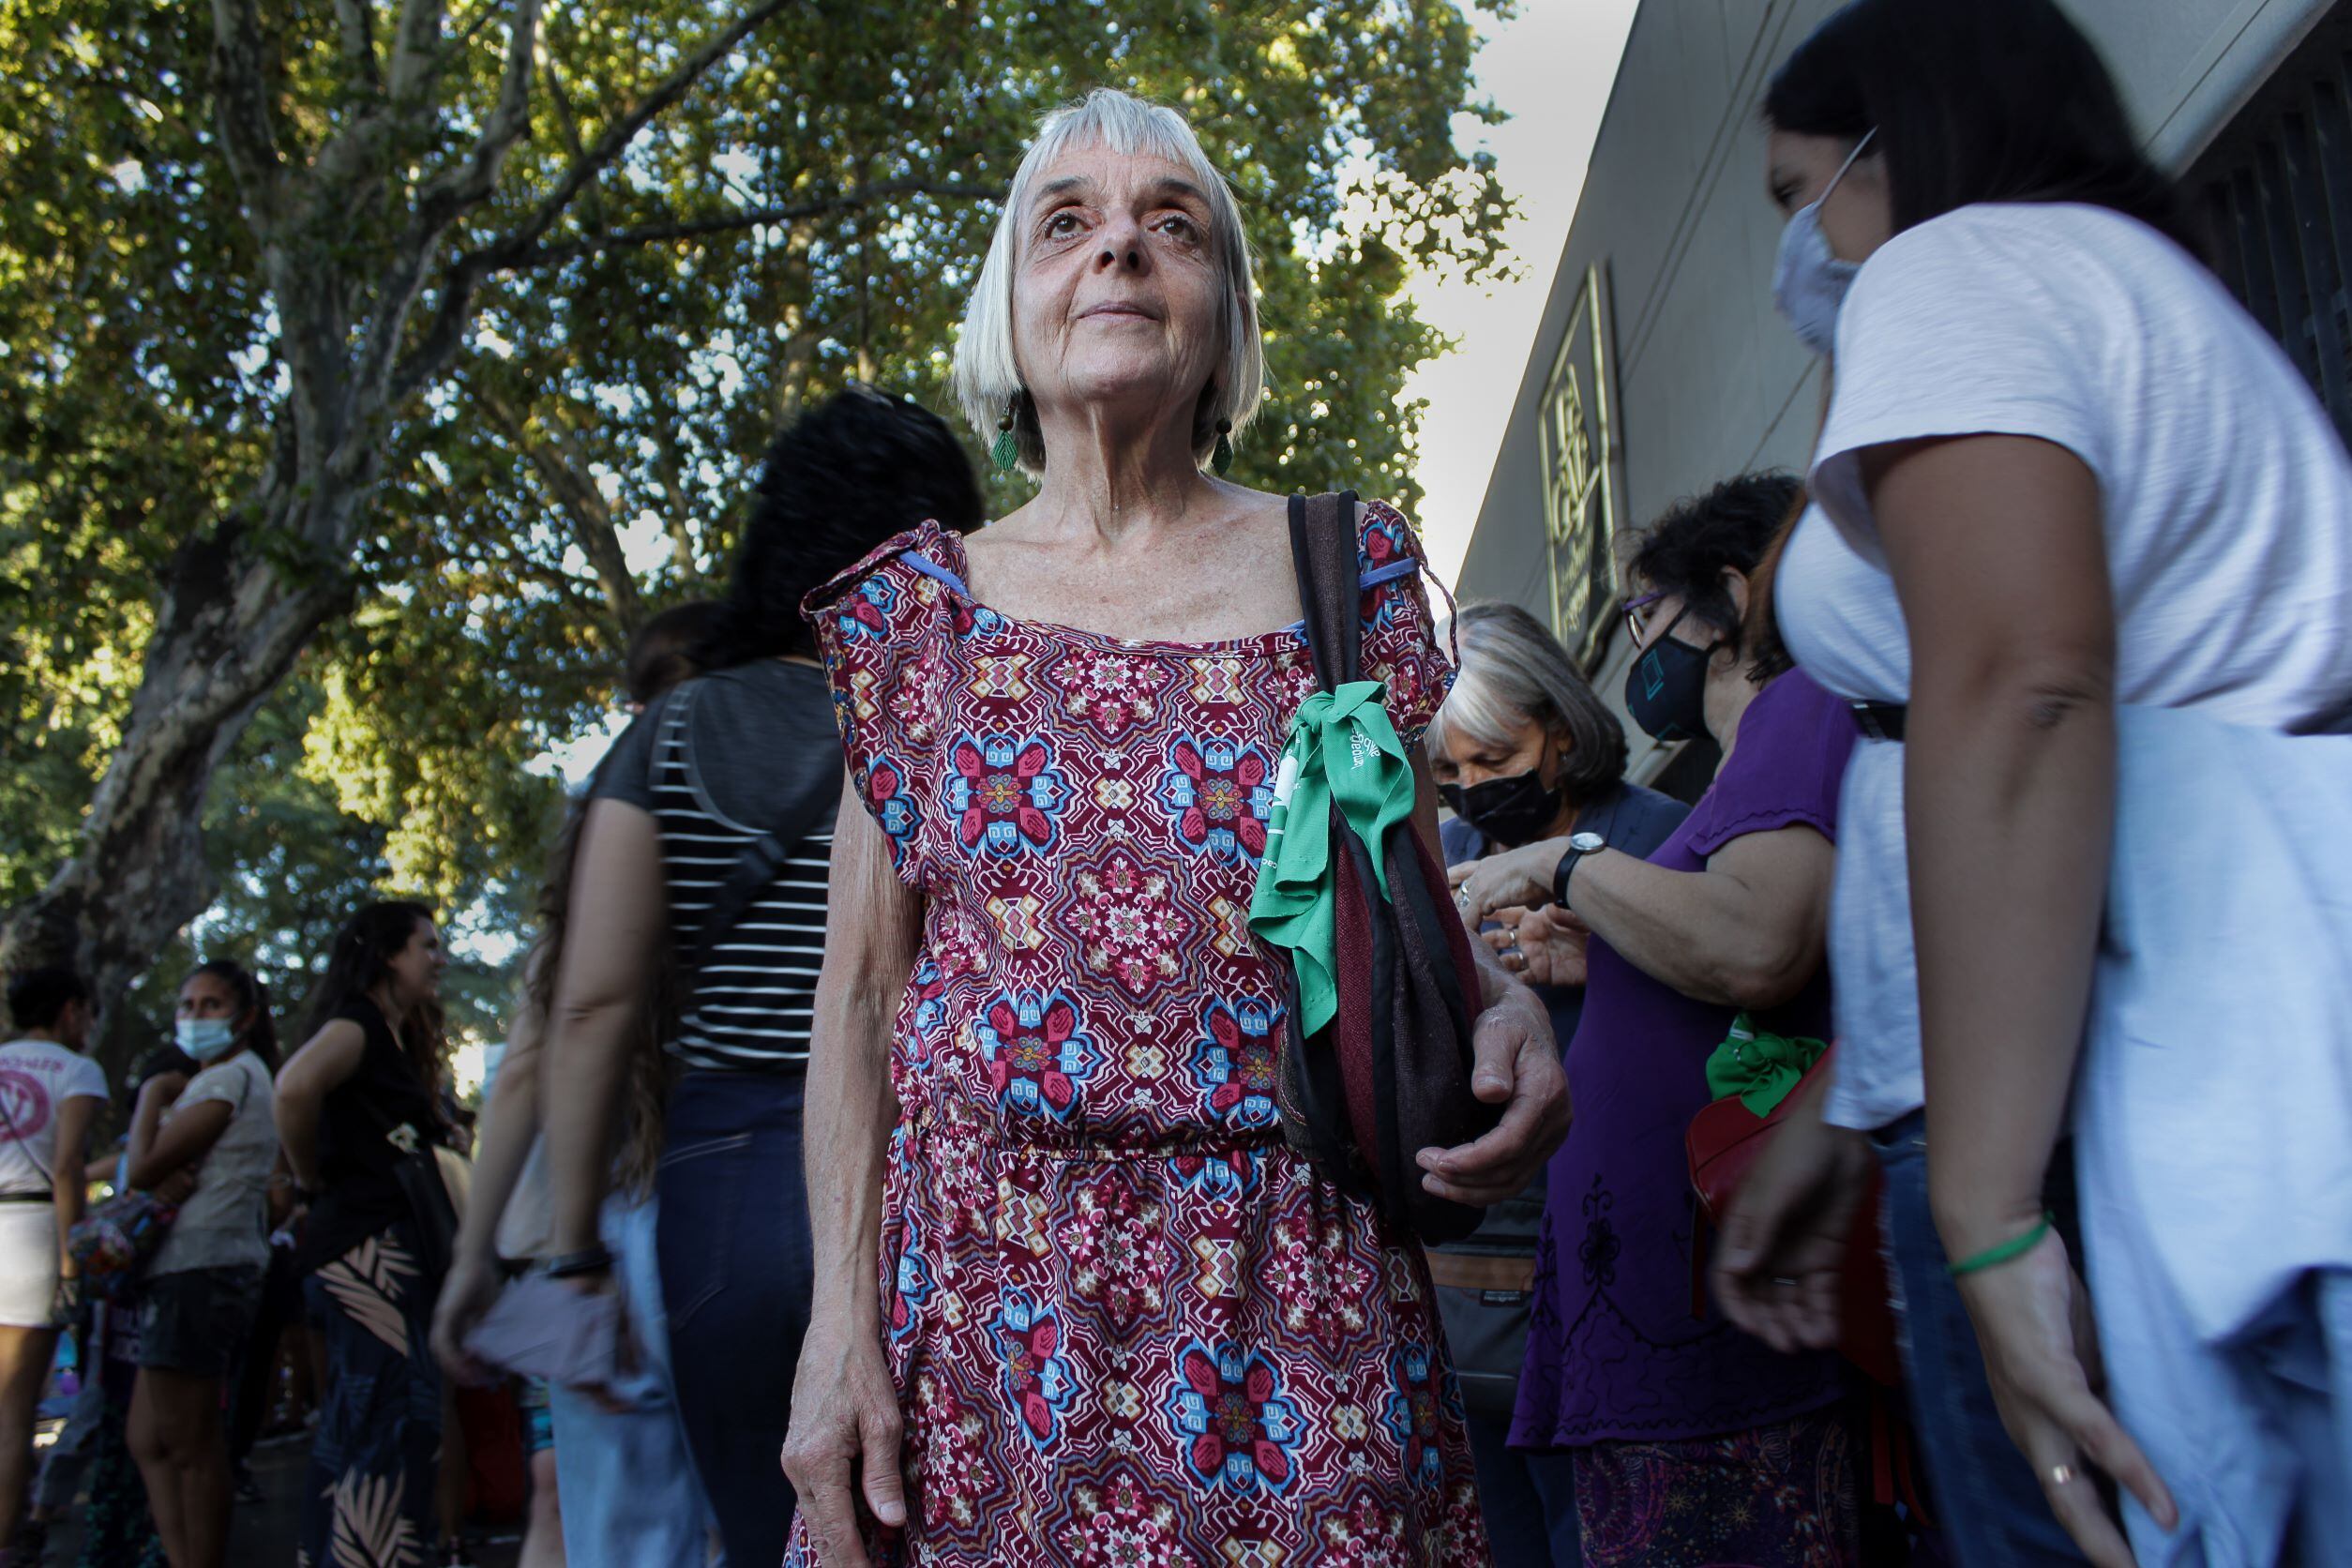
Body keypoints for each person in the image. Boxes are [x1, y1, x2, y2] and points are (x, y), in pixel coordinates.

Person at [778, 87, 1566, 1567]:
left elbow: (1408, 917)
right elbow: (863, 995)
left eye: (1171, 225)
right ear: (1010, 314)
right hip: (989, 1320)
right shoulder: (915, 617)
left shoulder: (1351, 574)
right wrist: (838, 1330)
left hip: (1301, 1299)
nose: (1119, 251)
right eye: (1065, 224)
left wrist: (1508, 1006)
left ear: (1226, 313)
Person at [1717, 4, 2352, 1564]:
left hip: (2092, 1082)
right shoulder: (2124, 291)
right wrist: (1854, 1107)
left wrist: (1986, 1208)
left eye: (1798, 193)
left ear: (1891, 152)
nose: (1794, 246)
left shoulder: (1955, 271)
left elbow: (2015, 688)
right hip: (2113, 1056)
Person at [535, 387, 988, 1568]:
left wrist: (573, 1247)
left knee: (767, 1532)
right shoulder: (959, 719)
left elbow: (591, 1005)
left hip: (725, 1183)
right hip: (929, 1174)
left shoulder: (676, 732)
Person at [1452, 473, 1862, 1566]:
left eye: (1648, 618)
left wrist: (1567, 864)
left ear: (1731, 594)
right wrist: (1603, 960)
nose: (1643, 651)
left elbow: (1757, 948)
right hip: (1639, 1328)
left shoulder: (1795, 711)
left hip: (1710, 1342)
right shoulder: (1749, 761)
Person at [433, 600, 729, 1568]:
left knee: (620, 1531)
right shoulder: (798, 789)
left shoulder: (608, 818)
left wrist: (483, 1255)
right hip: (755, 1203)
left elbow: (538, 1054)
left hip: (615, 1231)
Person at [1425, 600, 1687, 1568]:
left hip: (1626, 1266)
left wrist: (1606, 954)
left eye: (1495, 760)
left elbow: (1750, 1015)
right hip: (1473, 1291)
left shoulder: (1662, 839)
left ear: (1563, 729)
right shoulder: (1445, 859)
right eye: (1450, 775)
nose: (1473, 793)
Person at [275, 901, 454, 1566]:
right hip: (368, 1255)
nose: (438, 958)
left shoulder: (394, 1034)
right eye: (426, 946)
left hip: (382, 1250)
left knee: (367, 1423)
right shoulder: (357, 1027)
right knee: (385, 1420)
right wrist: (310, 1178)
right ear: (387, 954)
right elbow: (292, 1090)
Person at [124, 959, 279, 1568]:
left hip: (201, 1266)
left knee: (191, 1445)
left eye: (210, 1005)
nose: (193, 1018)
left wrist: (151, 1098)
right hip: (188, 1268)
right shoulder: (229, 1078)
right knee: (149, 1438)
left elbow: (141, 1170)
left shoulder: (226, 1080)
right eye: (186, 1005)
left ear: (244, 1017)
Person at [0, 966, 107, 1560]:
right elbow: (67, 1168)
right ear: (71, 1010)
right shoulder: (76, 1069)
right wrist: (72, 1264)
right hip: (32, 1238)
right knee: (15, 1414)